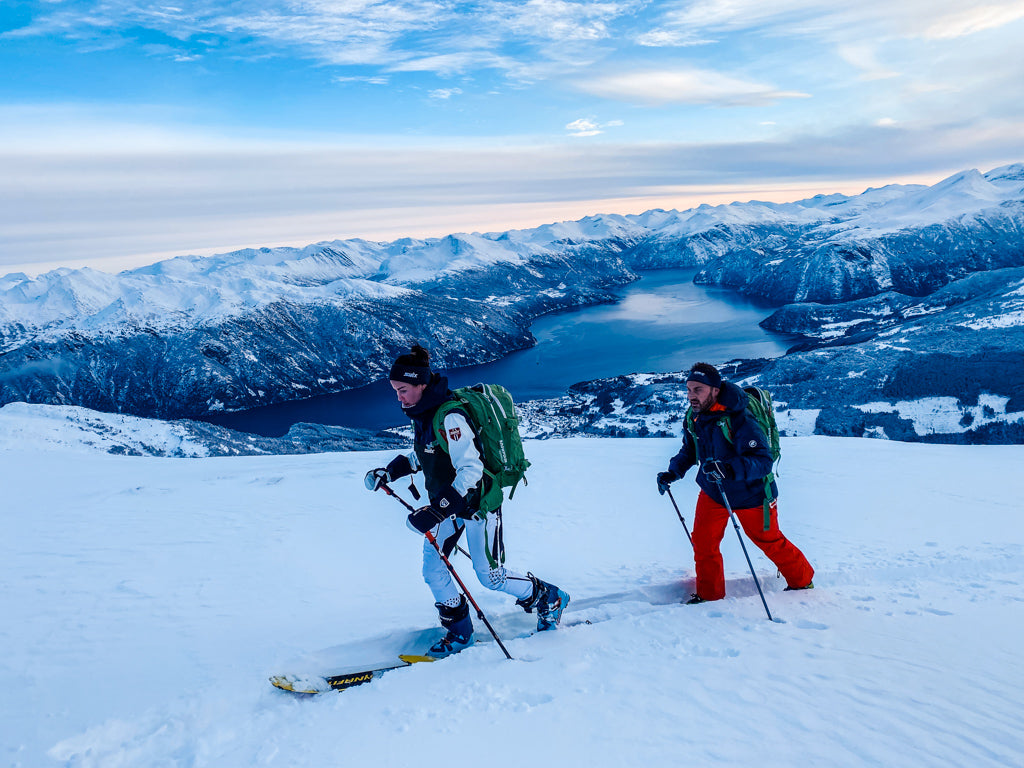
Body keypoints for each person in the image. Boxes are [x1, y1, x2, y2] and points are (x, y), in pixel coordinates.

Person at [365, 344, 569, 657]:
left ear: (422, 384)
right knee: (433, 571)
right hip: (448, 506)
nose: (399, 398)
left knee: (490, 577)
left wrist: (435, 512)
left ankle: (549, 597)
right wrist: (390, 472)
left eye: (403, 390)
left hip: (477, 507)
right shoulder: (424, 414)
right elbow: (428, 455)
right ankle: (460, 633)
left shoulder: (450, 418)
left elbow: (471, 470)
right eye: (395, 391)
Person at [657, 362, 814, 604]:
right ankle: (709, 597)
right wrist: (673, 472)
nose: (691, 396)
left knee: (769, 541)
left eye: (698, 389)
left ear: (715, 390)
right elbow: (690, 449)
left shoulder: (740, 417)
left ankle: (802, 582)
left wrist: (728, 469)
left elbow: (763, 461)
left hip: (753, 493)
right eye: (688, 389)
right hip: (714, 491)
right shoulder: (695, 416)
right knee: (703, 543)